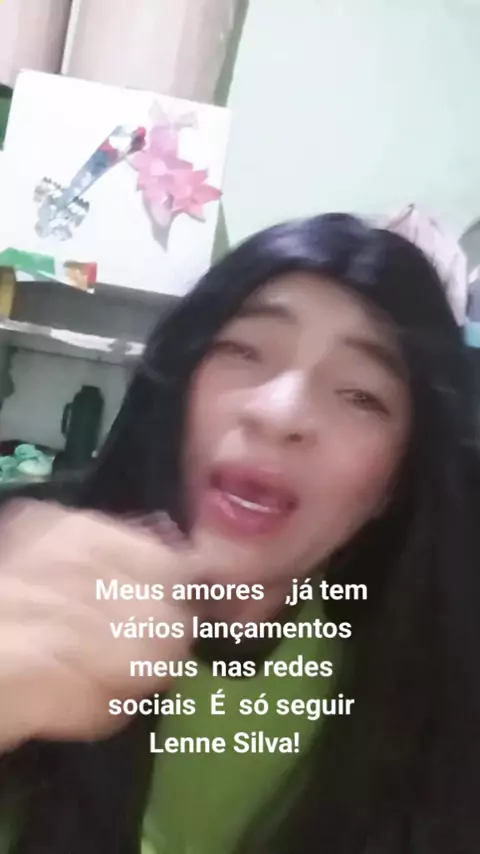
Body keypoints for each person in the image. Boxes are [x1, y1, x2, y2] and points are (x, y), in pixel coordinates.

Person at [0, 212, 478, 854]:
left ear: (393, 484)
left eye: (362, 395)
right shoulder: (20, 575)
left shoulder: (422, 709)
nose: (279, 414)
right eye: (243, 351)